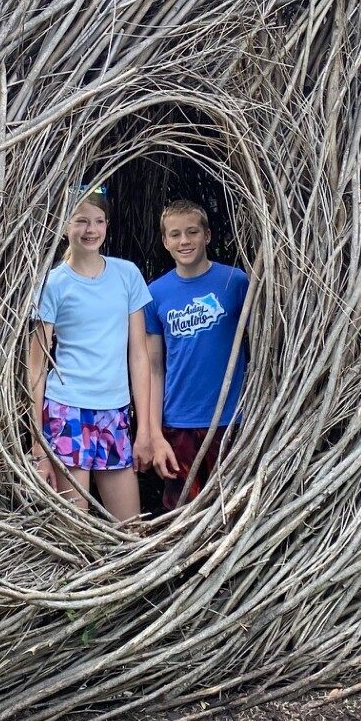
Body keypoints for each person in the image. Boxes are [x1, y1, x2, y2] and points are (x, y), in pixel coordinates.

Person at [28, 188, 154, 519]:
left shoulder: (127, 275)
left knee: (130, 527)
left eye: (98, 221)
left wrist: (143, 431)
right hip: (67, 411)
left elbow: (139, 356)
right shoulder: (53, 283)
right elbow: (37, 367)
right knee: (74, 526)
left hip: (113, 411)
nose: (90, 230)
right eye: (81, 221)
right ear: (64, 225)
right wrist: (38, 445)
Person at [144, 199, 248, 510]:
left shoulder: (236, 282)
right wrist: (155, 434)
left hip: (230, 420)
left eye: (192, 232)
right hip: (178, 424)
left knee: (228, 509)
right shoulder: (155, 293)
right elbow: (153, 368)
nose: (184, 241)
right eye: (175, 235)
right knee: (182, 512)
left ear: (208, 236)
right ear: (165, 241)